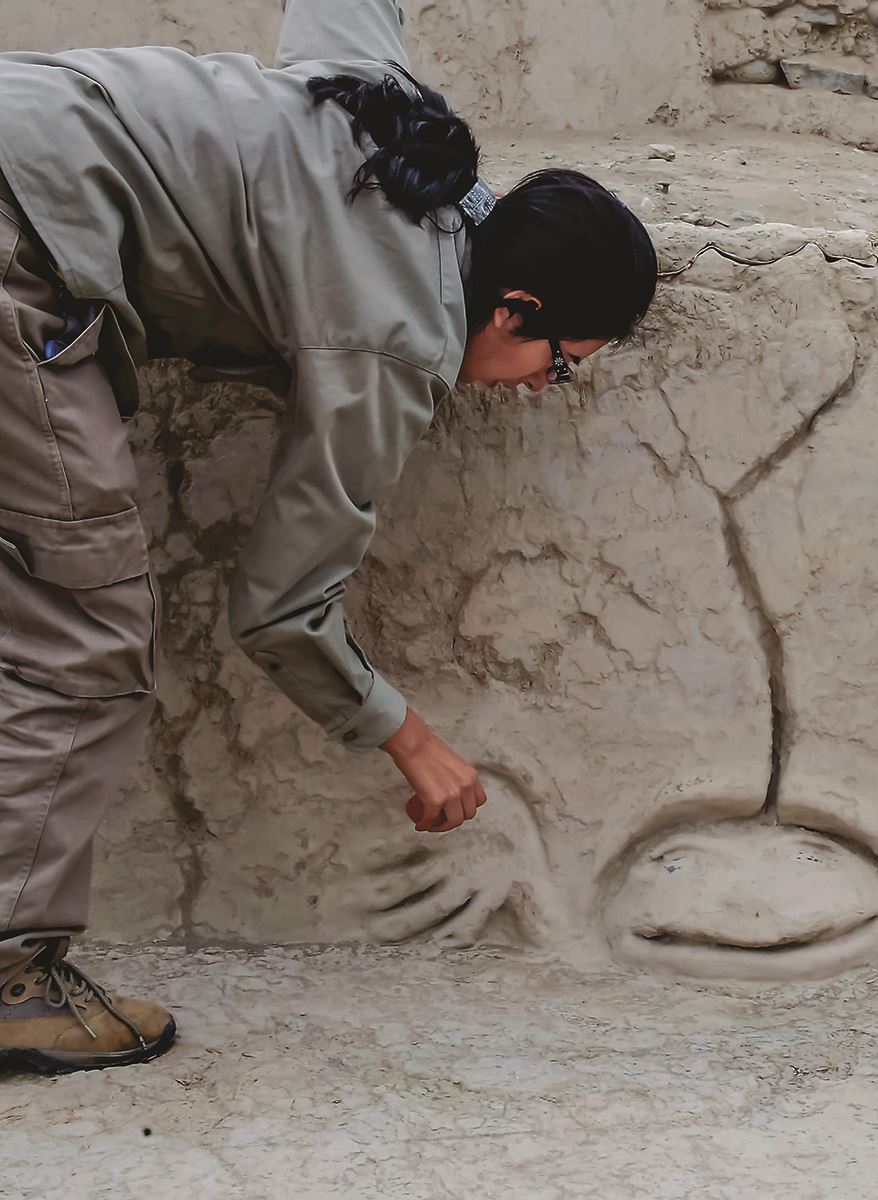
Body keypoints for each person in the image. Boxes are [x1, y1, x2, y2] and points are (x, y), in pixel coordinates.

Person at [0, 0, 656, 1072]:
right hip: (21, 251)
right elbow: (281, 604)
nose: (547, 389)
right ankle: (6, 975)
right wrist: (408, 735)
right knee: (85, 635)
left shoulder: (402, 130)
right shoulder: (393, 333)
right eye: (564, 361)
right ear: (514, 309)